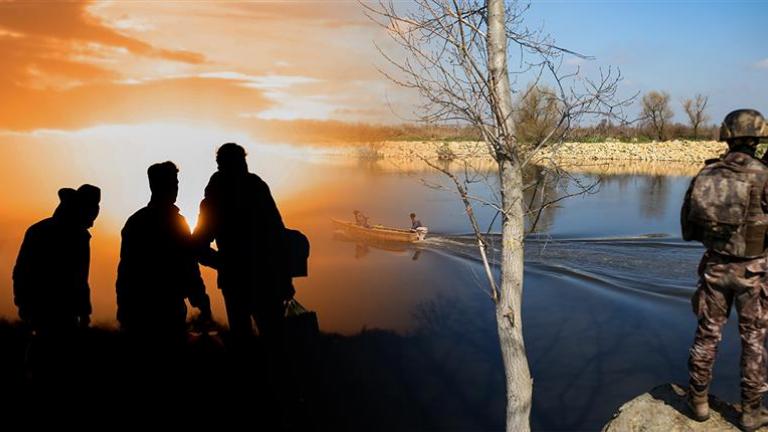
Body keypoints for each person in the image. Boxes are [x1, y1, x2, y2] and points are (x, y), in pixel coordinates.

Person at [681, 109, 768, 431]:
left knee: (707, 334)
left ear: (727, 137)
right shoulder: (764, 174)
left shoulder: (708, 173)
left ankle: (698, 400)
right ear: (757, 139)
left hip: (715, 268)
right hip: (754, 273)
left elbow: (688, 226)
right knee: (754, 340)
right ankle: (750, 411)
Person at [194, 143, 293, 348]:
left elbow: (199, 246)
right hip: (262, 277)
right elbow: (277, 234)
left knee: (247, 340)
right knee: (271, 339)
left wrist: (224, 264)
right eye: (240, 162)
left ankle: (252, 375)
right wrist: (284, 278)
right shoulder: (253, 189)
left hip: (247, 279)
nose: (243, 167)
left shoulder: (221, 195)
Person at [13, 184, 100, 384]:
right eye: (93, 208)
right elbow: (23, 272)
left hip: (54, 312)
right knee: (52, 365)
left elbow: (80, 279)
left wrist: (84, 311)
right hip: (53, 312)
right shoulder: (74, 235)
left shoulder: (44, 230)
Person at [116, 162, 211, 341]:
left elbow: (125, 270)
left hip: (143, 307)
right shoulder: (172, 223)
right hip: (163, 307)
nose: (175, 188)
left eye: (176, 183)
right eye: (172, 183)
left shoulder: (136, 221)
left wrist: (123, 306)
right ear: (156, 186)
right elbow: (188, 263)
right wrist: (200, 298)